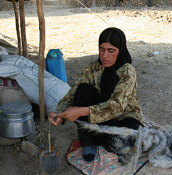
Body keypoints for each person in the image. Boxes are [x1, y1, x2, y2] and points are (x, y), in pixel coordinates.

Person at [48, 27, 143, 163]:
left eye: (111, 51)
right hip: (100, 115)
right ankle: (88, 142)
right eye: (102, 50)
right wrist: (59, 114)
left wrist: (83, 111)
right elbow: (72, 94)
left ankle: (101, 139)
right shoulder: (92, 69)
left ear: (120, 50)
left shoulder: (127, 72)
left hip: (124, 116)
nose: (105, 56)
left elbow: (117, 106)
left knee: (128, 140)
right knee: (83, 90)